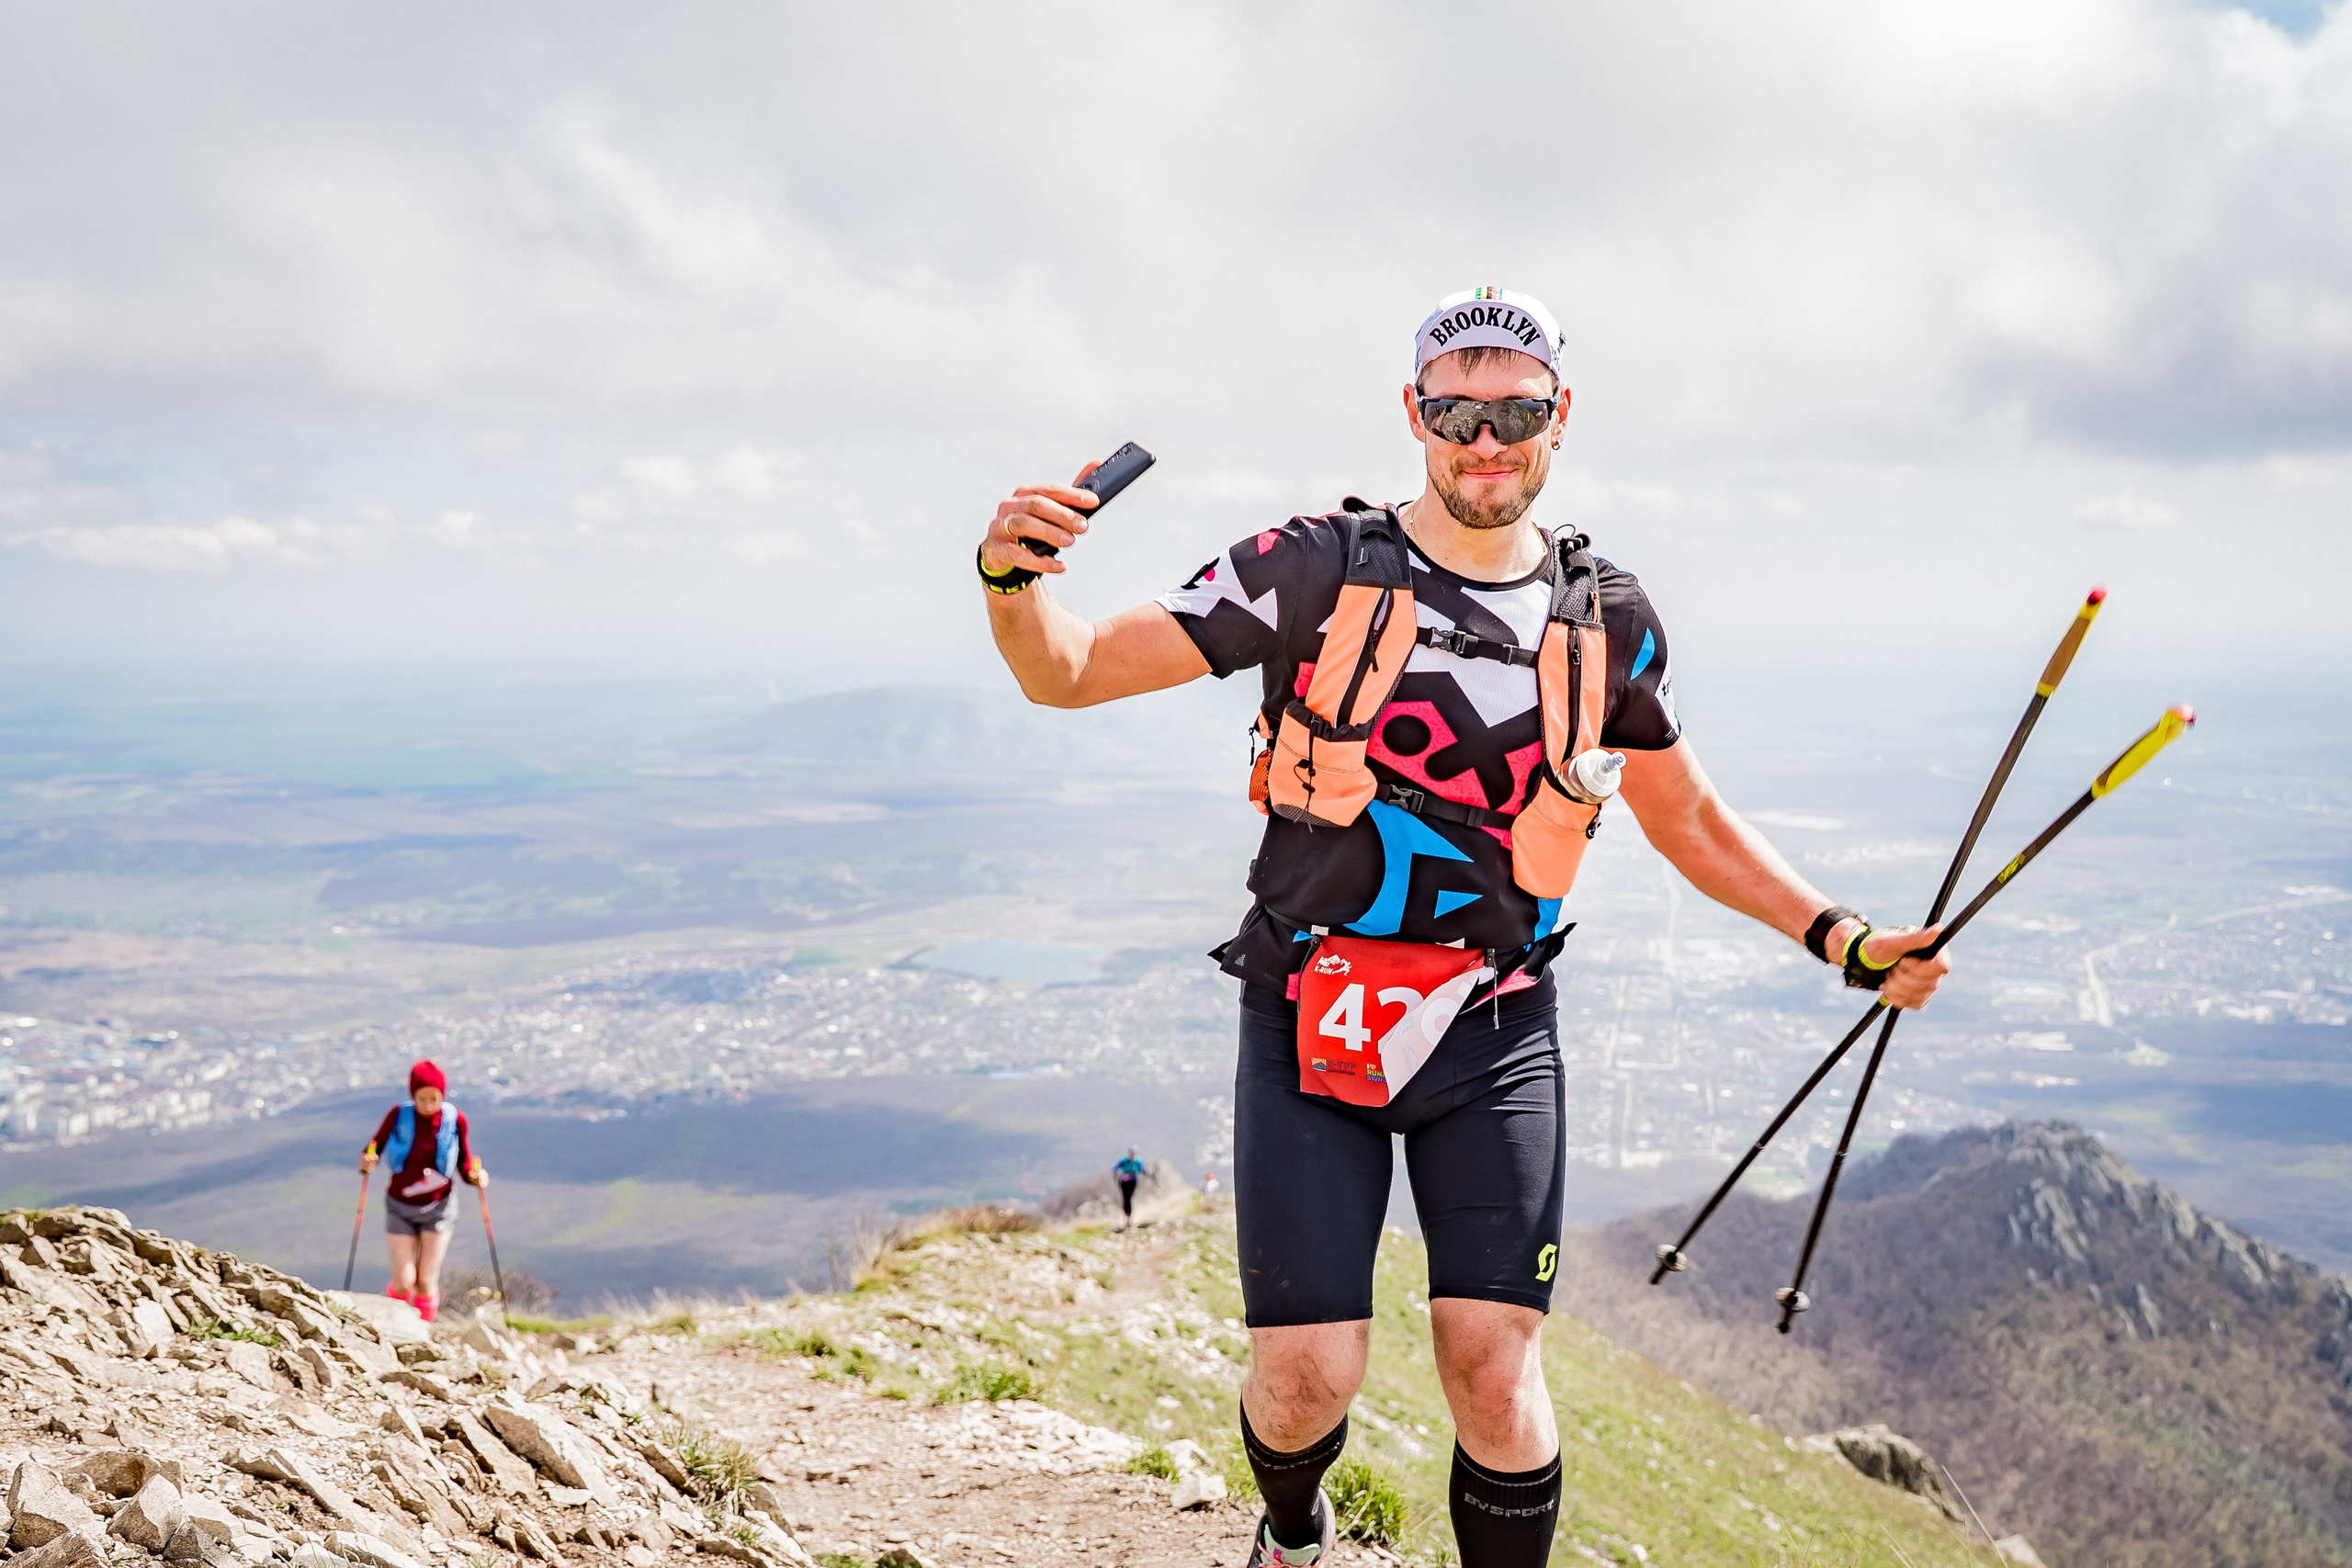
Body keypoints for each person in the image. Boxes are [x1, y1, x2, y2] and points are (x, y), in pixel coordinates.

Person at [975, 286, 1951, 1568]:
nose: (1486, 439)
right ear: (1415, 415)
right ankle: (1291, 1530)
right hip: (1309, 1012)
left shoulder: (1608, 623)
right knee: (1307, 1380)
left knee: (1494, 1376)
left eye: (1517, 410)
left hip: (1493, 1023)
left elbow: (1691, 821)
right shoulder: (1308, 567)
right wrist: (1011, 575)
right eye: (1457, 409)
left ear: (1560, 419)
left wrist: (1848, 940)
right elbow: (1072, 666)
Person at [358, 1059, 484, 1324]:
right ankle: (396, 1325)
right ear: (412, 1095)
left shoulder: (455, 1120)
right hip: (399, 1206)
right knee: (404, 1282)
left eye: (434, 1098)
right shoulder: (398, 1115)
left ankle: (422, 1333)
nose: (428, 1105)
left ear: (443, 1095)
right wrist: (367, 1162)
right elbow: (374, 1148)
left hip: (439, 1208)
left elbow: (463, 1165)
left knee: (426, 1281)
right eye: (422, 1098)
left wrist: (475, 1178)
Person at [1114, 1146, 1148, 1228]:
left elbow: (1142, 1169)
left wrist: (1143, 1172)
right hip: (1124, 1182)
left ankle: (1129, 1217)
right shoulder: (1124, 1160)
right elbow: (1115, 1168)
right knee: (1126, 1198)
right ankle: (1127, 1217)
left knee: (1129, 1198)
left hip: (1133, 1181)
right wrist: (1116, 1172)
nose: (1132, 1155)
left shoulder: (1138, 1161)